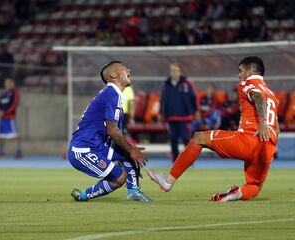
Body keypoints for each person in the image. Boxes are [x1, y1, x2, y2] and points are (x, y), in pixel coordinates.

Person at [148, 56, 279, 202]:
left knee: (198, 138)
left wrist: (261, 123)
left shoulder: (247, 83)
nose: (239, 75)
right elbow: (277, 129)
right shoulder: (271, 94)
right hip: (268, 147)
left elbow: (258, 98)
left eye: (240, 71)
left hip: (249, 140)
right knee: (255, 185)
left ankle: (168, 180)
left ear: (250, 72)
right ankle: (236, 193)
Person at [69, 61, 151, 202]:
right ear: (113, 74)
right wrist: (131, 149)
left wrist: (129, 156)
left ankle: (133, 192)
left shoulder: (114, 95)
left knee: (128, 154)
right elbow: (112, 130)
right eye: (124, 67)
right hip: (83, 149)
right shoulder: (111, 94)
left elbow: (114, 133)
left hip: (98, 145)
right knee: (120, 178)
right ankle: (83, 196)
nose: (129, 68)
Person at [160, 63, 198, 162]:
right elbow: (163, 99)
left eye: (176, 71)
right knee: (173, 139)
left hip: (185, 117)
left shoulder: (188, 84)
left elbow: (194, 97)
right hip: (171, 117)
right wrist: (162, 113)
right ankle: (175, 160)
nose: (175, 73)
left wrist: (196, 111)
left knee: (186, 138)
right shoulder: (166, 85)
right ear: (170, 72)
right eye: (173, 71)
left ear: (180, 72)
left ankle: (188, 160)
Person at [0, 78, 22, 159]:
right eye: (6, 83)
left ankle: (19, 151)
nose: (7, 84)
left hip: (10, 117)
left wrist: (5, 112)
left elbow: (14, 104)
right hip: (2, 118)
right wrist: (0, 111)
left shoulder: (15, 93)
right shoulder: (2, 93)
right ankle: (1, 151)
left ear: (13, 84)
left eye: (9, 83)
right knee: (1, 135)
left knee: (15, 134)